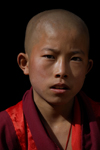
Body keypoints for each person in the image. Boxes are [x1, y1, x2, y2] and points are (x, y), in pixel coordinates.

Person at [0, 9, 100, 150]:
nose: (62, 71)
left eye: (75, 59)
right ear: (25, 63)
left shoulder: (97, 118)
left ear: (87, 68)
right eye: (49, 56)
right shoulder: (6, 127)